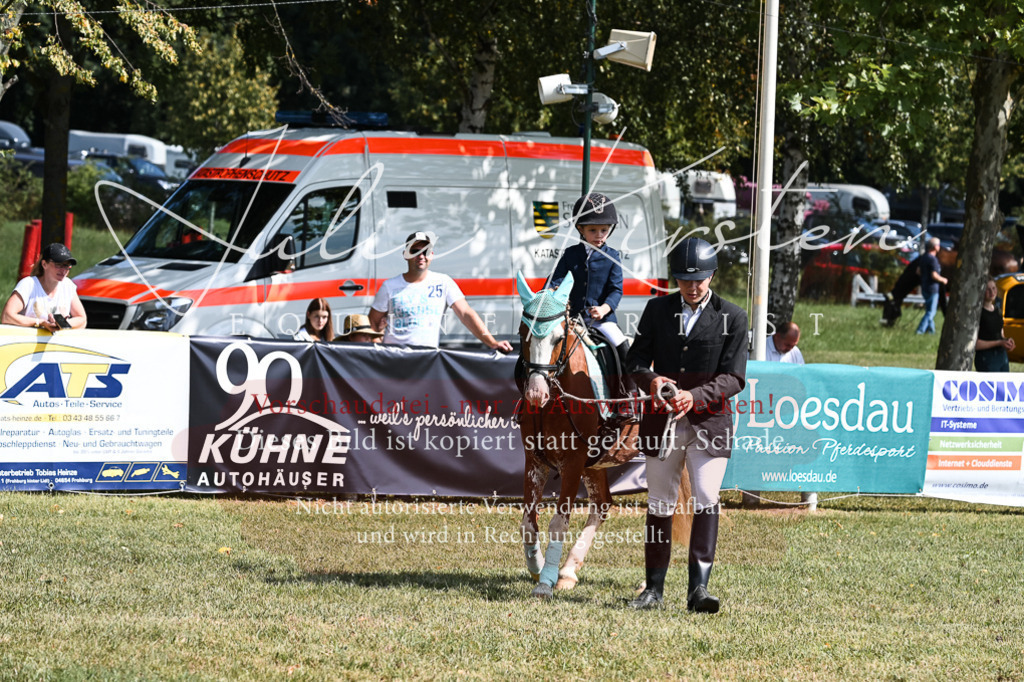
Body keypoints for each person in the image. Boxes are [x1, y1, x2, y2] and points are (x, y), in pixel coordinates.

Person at [625, 237, 748, 612]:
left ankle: (699, 591)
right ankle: (653, 591)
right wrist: (653, 381)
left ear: (712, 276)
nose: (692, 287)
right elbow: (636, 361)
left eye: (699, 280)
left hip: (709, 421)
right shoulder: (656, 309)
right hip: (663, 422)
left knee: (707, 497)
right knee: (660, 501)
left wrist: (695, 396)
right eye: (684, 280)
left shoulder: (733, 316)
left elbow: (734, 378)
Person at [547, 192, 633, 418]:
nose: (599, 235)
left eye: (604, 230)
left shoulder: (613, 256)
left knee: (622, 345)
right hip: (572, 318)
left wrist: (604, 308)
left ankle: (626, 397)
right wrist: (551, 292)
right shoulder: (570, 254)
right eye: (593, 230)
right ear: (581, 229)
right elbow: (555, 281)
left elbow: (616, 290)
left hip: (601, 320)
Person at [369, 231, 512, 352]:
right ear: (405, 255)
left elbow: (465, 314)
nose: (421, 256)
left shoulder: (443, 282)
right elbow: (372, 323)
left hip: (428, 359)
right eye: (415, 251)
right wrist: (379, 351)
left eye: (425, 251)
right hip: (394, 360)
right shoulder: (389, 286)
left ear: (431, 255)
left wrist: (492, 343)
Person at [2, 243, 87, 332]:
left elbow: (82, 320)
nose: (63, 270)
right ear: (44, 264)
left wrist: (61, 323)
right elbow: (7, 316)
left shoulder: (68, 285)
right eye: (58, 265)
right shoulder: (28, 284)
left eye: (66, 265)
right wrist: (41, 323)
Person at [975, 278, 1015, 372]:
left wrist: (1007, 341)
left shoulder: (998, 311)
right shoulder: (978, 314)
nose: (992, 292)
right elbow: (975, 344)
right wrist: (999, 343)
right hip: (986, 358)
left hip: (1002, 356)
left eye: (993, 288)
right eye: (988, 289)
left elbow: (1001, 335)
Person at [916, 237, 948, 334]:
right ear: (935, 247)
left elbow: (918, 271)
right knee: (931, 312)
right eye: (938, 245)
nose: (939, 247)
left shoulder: (924, 257)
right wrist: (943, 279)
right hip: (932, 288)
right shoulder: (933, 259)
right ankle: (920, 331)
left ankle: (931, 331)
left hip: (925, 287)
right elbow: (934, 275)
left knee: (929, 309)